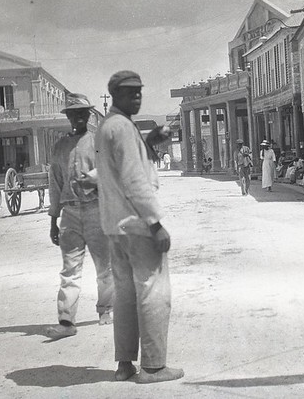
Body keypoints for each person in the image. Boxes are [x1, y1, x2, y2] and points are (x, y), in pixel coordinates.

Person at [95, 70, 183, 384]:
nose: (136, 97)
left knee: (125, 296)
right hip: (136, 223)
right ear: (114, 95)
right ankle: (154, 367)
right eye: (128, 92)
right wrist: (156, 223)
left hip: (115, 226)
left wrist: (147, 141)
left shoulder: (109, 125)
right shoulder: (121, 127)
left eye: (138, 92)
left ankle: (124, 364)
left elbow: (121, 168)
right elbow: (134, 180)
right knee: (154, 291)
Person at [46, 93, 113, 339]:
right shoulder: (60, 146)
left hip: (96, 209)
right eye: (73, 114)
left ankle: (105, 309)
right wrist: (53, 220)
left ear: (89, 115)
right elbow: (55, 183)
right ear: (68, 116)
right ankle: (66, 321)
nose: (78, 118)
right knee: (69, 270)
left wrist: (96, 177)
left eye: (82, 113)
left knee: (105, 268)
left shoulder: (98, 142)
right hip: (70, 213)